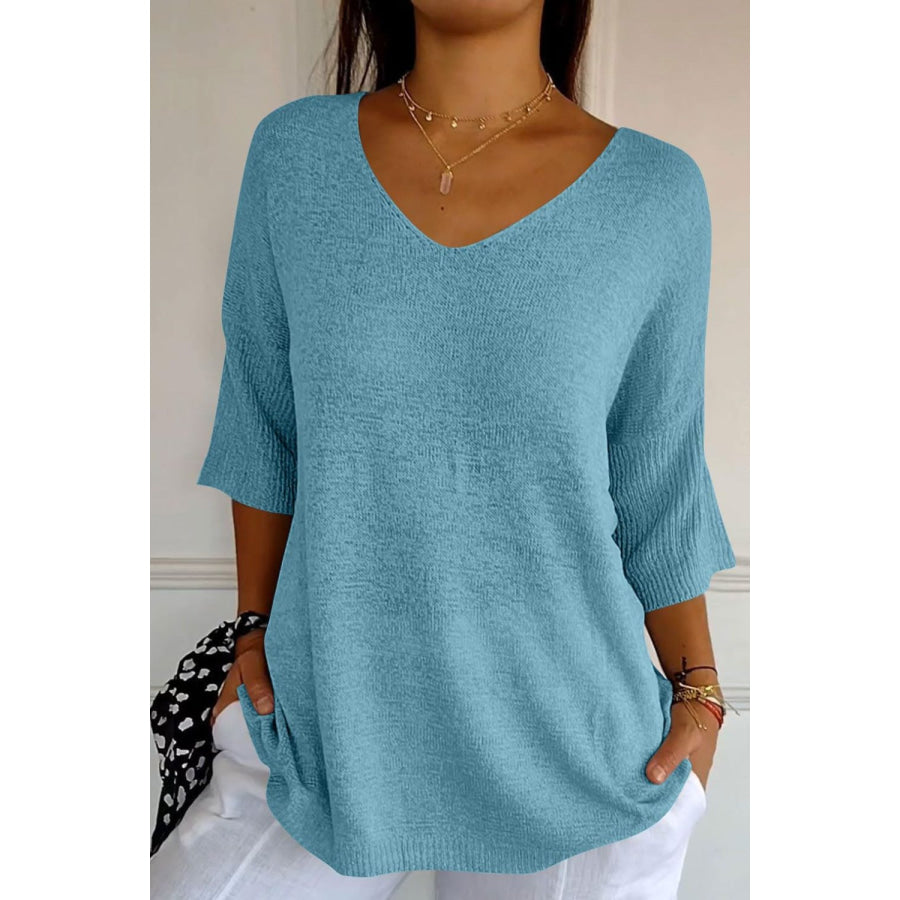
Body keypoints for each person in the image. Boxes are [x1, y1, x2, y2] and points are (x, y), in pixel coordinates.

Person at [150, 0, 737, 897]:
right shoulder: (295, 158)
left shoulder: (655, 194)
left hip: (580, 750)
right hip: (322, 727)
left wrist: (700, 692)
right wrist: (253, 631)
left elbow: (658, 475)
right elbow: (264, 422)